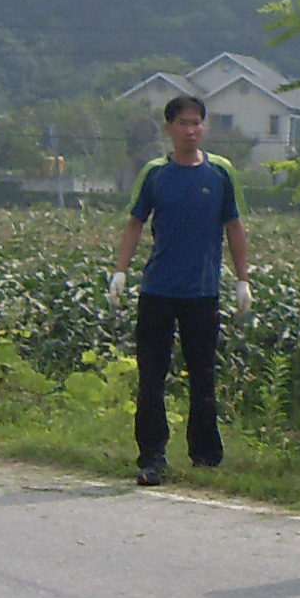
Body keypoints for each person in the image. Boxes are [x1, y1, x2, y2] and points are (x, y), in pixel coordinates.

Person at [110, 93, 250, 487]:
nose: (191, 130)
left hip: (202, 292)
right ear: (169, 128)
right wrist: (120, 271)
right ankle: (152, 455)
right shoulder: (156, 173)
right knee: (151, 377)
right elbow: (135, 223)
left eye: (197, 122)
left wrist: (243, 278)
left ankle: (205, 454)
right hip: (158, 290)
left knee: (203, 374)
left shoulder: (220, 173)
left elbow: (235, 226)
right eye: (183, 123)